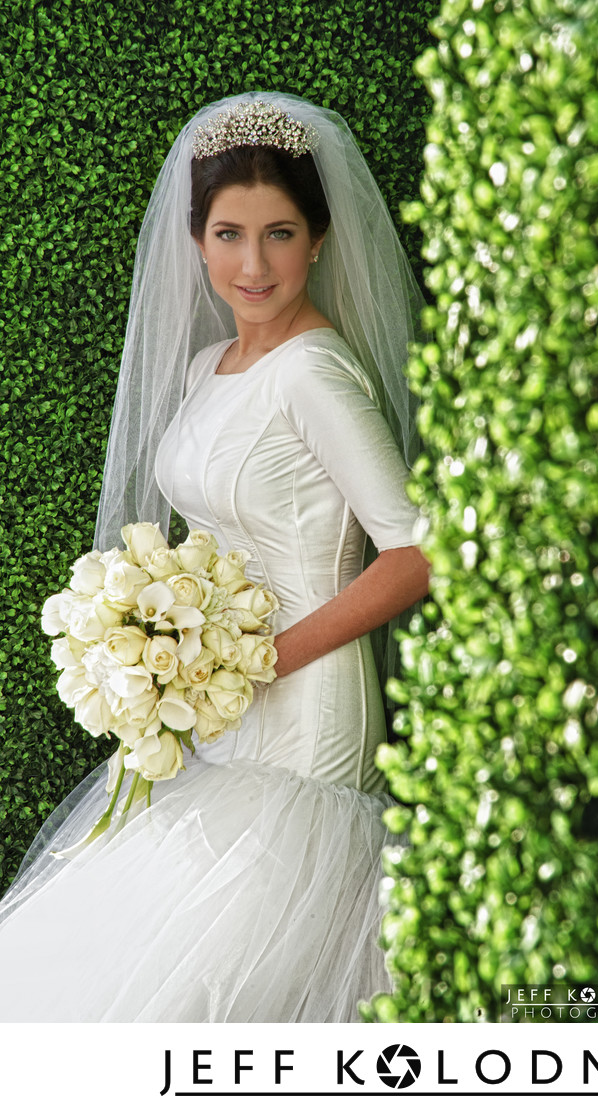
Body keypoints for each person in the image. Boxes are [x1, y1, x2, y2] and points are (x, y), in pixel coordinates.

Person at [0, 92, 430, 1021]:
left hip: (307, 707)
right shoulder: (207, 371)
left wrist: (264, 656)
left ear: (318, 239)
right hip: (222, 700)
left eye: (279, 233)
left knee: (243, 958)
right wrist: (155, 639)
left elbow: (414, 553)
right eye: (229, 233)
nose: (253, 263)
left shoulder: (314, 372)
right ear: (195, 238)